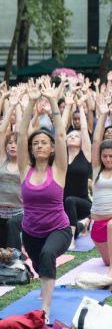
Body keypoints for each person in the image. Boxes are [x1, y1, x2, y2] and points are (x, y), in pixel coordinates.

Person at [17, 79, 71, 322]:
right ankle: (45, 287)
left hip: (58, 228)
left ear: (51, 149)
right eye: (35, 143)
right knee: (41, 268)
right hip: (30, 232)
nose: (39, 145)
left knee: (49, 256)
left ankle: (45, 310)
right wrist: (29, 102)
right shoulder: (24, 169)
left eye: (44, 143)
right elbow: (20, 134)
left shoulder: (58, 169)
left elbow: (60, 133)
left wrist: (52, 101)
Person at [0, 91, 23, 250]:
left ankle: (19, 265)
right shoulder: (2, 160)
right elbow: (1, 131)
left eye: (16, 143)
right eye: (10, 143)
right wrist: (10, 105)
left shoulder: (24, 163)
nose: (12, 145)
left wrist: (18, 107)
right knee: (4, 249)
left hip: (19, 212)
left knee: (13, 249)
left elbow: (22, 131)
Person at [62, 96, 93, 249]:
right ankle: (83, 224)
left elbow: (84, 130)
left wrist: (81, 107)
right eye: (70, 136)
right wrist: (66, 108)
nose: (73, 137)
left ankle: (71, 241)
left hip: (83, 203)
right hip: (61, 204)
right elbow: (60, 132)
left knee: (70, 200)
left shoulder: (86, 154)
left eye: (76, 136)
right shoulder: (61, 156)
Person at [89, 96, 112, 276]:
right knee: (106, 263)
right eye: (104, 156)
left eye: (111, 156)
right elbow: (96, 141)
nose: (107, 159)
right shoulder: (97, 169)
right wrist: (102, 115)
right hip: (97, 224)